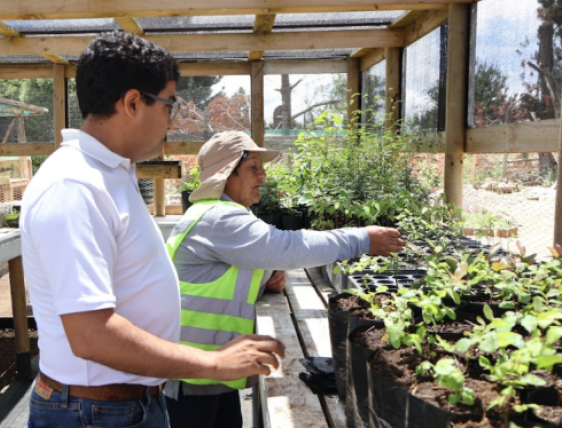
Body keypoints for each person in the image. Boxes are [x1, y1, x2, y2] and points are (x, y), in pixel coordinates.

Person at [20, 32, 285, 428]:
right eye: (169, 104)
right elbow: (92, 335)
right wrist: (212, 362)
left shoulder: (111, 173)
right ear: (132, 103)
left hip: (122, 405)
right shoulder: (74, 186)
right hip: (94, 414)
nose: (172, 120)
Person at [164, 131, 406, 428]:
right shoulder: (219, 218)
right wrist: (361, 239)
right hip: (192, 373)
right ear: (226, 174)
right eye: (253, 167)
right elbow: (285, 247)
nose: (263, 176)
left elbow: (229, 271)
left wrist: (264, 276)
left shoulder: (214, 214)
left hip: (210, 368)